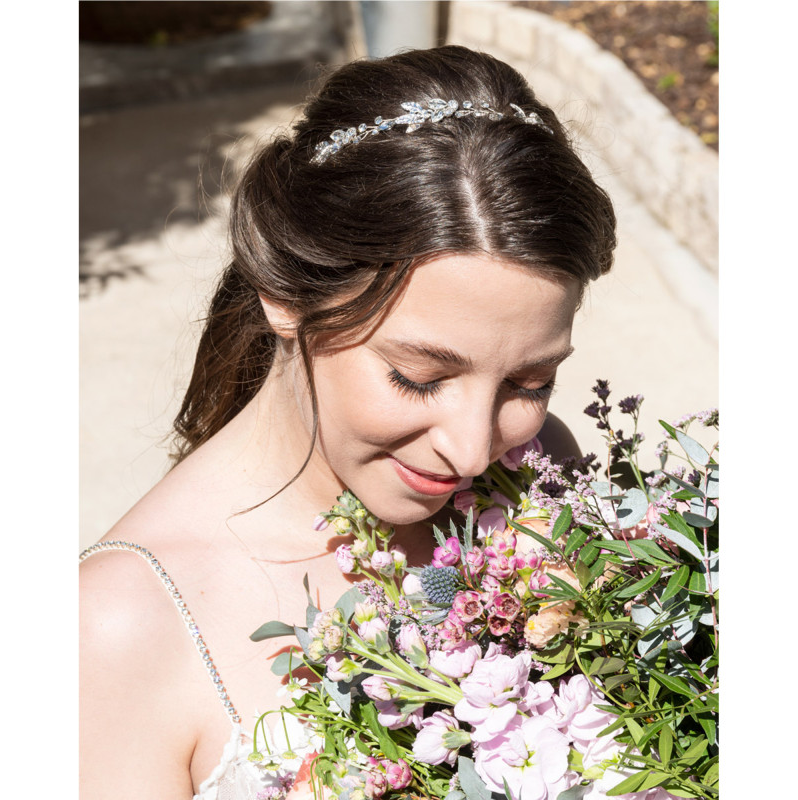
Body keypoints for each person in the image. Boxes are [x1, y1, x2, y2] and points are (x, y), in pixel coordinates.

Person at [79, 45, 616, 799]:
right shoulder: (114, 630)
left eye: (530, 380)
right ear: (285, 295)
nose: (471, 452)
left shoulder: (537, 472)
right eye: (418, 377)